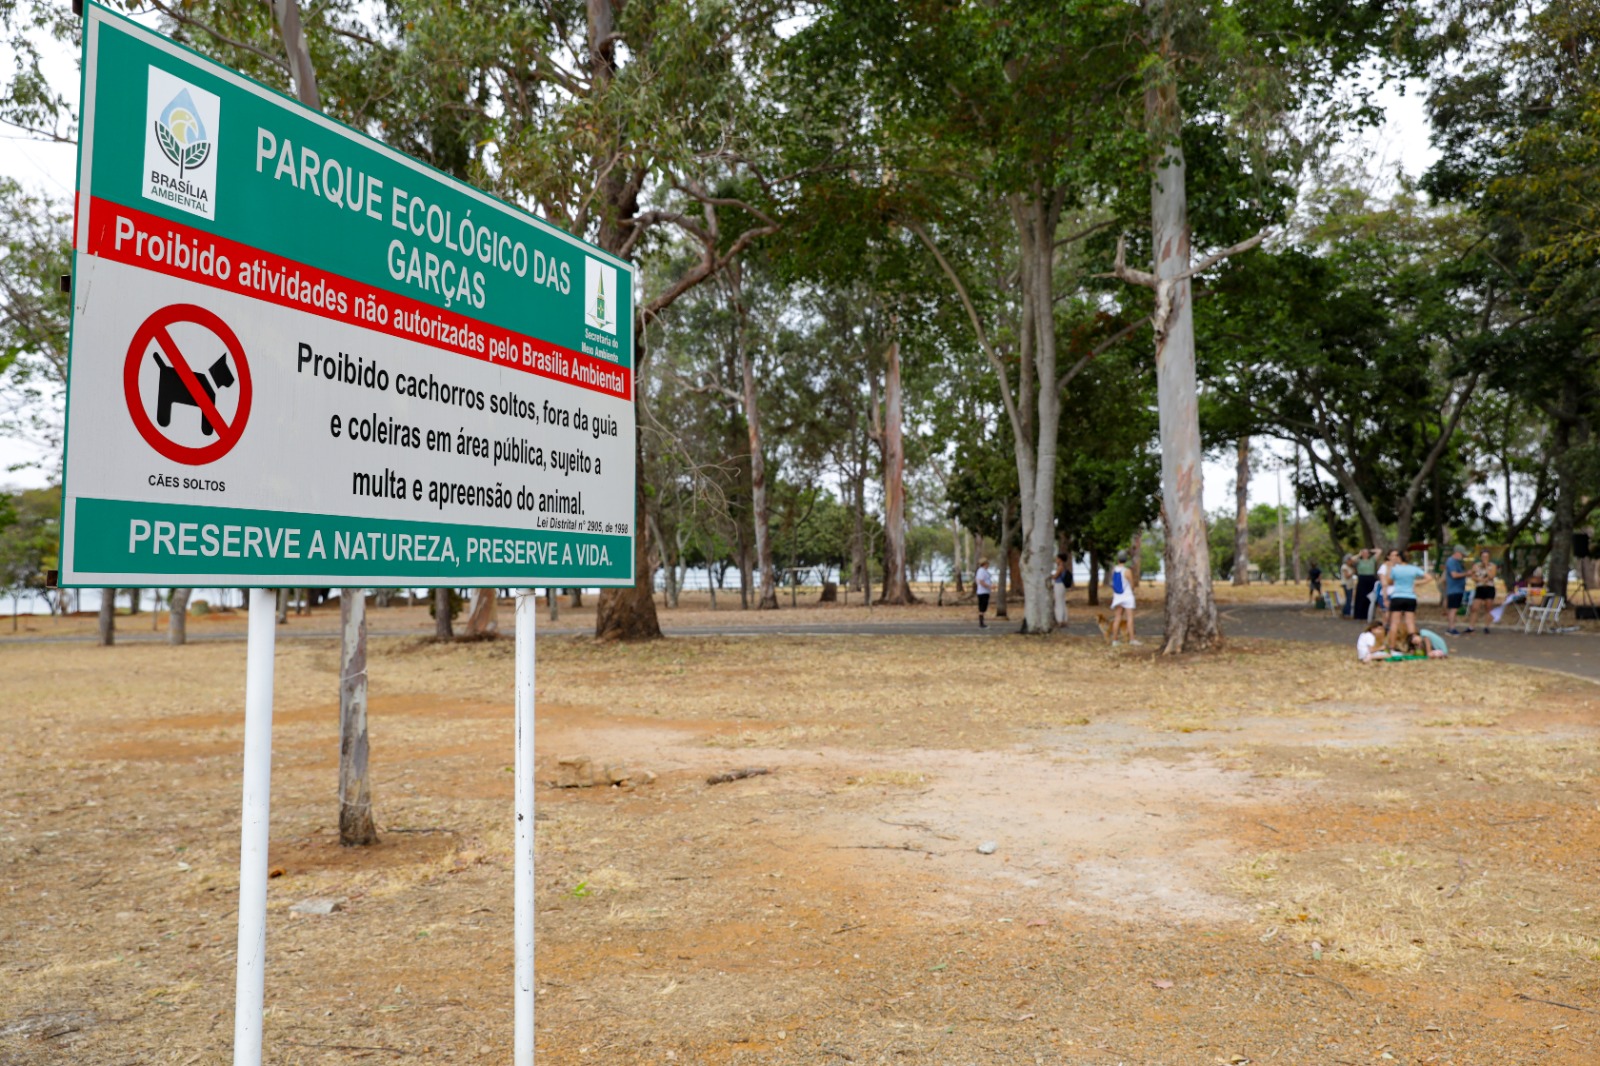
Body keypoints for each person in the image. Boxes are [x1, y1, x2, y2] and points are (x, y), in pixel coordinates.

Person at [1384, 549, 1431, 653]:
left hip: (1397, 596)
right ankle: (1414, 647)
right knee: (1410, 623)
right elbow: (1428, 577)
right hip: (1410, 597)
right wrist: (1417, 582)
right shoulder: (1413, 569)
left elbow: (1389, 582)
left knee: (1394, 624)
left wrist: (1389, 569)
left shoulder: (1395, 569)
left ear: (1399, 558)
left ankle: (1391, 648)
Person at [1109, 549, 1139, 645]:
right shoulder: (1127, 571)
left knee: (1117, 617)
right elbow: (1132, 584)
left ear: (1118, 560)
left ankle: (1115, 639)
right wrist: (1132, 590)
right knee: (1130, 618)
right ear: (1126, 560)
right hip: (1127, 596)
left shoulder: (1114, 570)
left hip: (1117, 596)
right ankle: (1132, 639)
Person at [1467, 550, 1497, 634]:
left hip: (1489, 588)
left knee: (1488, 607)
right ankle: (1471, 627)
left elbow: (1491, 576)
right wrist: (1479, 579)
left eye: (1486, 557)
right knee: (1474, 608)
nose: (1485, 558)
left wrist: (1486, 565)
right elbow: (1472, 576)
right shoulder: (1476, 565)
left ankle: (1486, 626)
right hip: (1480, 587)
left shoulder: (1492, 566)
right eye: (1483, 557)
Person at [1442, 544, 1468, 634]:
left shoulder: (1457, 562)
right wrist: (1466, 573)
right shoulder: (1451, 561)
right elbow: (1454, 575)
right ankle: (1451, 628)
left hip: (1458, 589)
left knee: (1454, 609)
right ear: (1457, 553)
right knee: (1453, 609)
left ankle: (1452, 627)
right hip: (1454, 589)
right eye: (1462, 554)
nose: (1463, 556)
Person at [1051, 552, 1070, 627]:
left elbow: (1055, 576)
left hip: (1059, 585)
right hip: (1062, 585)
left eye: (1057, 558)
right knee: (1062, 602)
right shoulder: (1063, 567)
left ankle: (1059, 620)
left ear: (1060, 559)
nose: (1056, 560)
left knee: (1058, 602)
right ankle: (1064, 619)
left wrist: (1049, 575)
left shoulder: (1060, 567)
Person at [975, 557, 993, 629]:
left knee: (983, 608)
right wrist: (989, 586)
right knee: (982, 608)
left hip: (985, 592)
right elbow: (981, 581)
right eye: (987, 563)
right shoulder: (981, 571)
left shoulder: (984, 571)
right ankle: (981, 623)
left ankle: (982, 622)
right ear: (985, 564)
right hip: (982, 592)